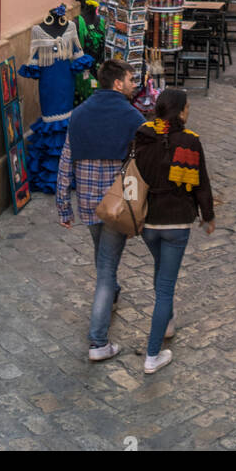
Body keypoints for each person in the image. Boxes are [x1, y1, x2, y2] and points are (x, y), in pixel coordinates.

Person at [55, 57, 142, 362]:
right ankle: (98, 342)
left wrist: (63, 207)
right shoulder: (132, 118)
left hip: (88, 205)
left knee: (103, 258)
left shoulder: (79, 115)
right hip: (116, 207)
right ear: (117, 83)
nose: (135, 85)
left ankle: (113, 292)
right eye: (132, 80)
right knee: (105, 269)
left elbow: (66, 162)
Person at [131, 88, 215, 374]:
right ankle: (153, 355)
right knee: (165, 289)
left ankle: (166, 323)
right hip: (177, 223)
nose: (189, 111)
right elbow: (201, 183)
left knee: (161, 272)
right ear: (179, 112)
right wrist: (208, 216)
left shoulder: (143, 135)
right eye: (187, 107)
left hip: (148, 223)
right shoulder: (190, 142)